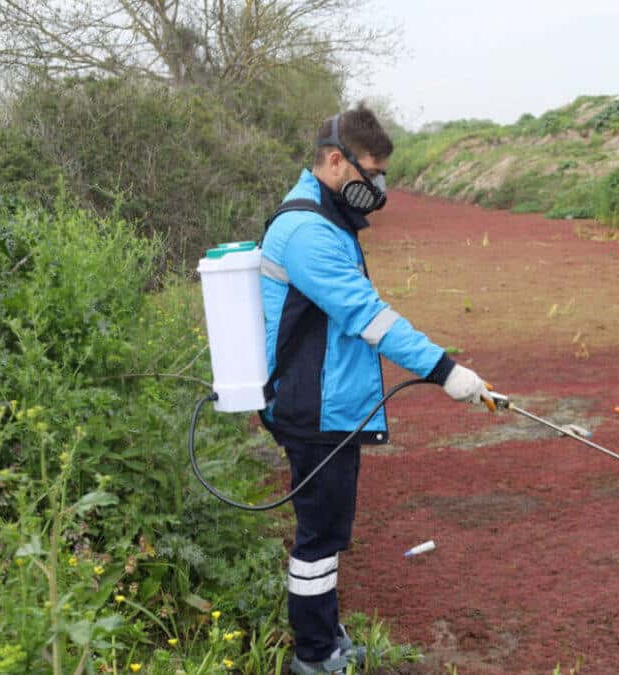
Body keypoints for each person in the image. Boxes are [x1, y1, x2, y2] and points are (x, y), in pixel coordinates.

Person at [258, 104, 494, 675]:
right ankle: (314, 656)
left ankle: (327, 637)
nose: (379, 187)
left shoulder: (326, 216)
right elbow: (368, 316)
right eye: (373, 172)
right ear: (336, 161)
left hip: (328, 403)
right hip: (313, 407)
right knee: (318, 538)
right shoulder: (307, 232)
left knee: (330, 531)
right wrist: (446, 371)